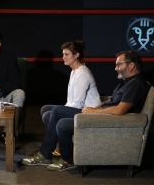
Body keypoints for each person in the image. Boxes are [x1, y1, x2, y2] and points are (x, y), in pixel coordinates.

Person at [21, 50, 150, 171]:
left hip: (110, 121)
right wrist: (96, 107)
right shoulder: (126, 82)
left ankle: (57, 156)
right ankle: (54, 154)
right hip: (103, 115)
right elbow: (113, 101)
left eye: (119, 64)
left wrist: (93, 112)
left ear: (132, 65)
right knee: (56, 115)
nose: (116, 68)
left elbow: (120, 110)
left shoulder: (136, 84)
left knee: (59, 116)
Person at [40, 40, 101, 156]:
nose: (63, 57)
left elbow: (78, 103)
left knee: (56, 110)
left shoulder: (83, 73)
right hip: (79, 109)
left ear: (76, 55)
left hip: (88, 112)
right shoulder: (74, 72)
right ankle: (59, 144)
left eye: (66, 54)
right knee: (46, 110)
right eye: (63, 54)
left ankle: (45, 152)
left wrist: (61, 111)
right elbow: (71, 101)